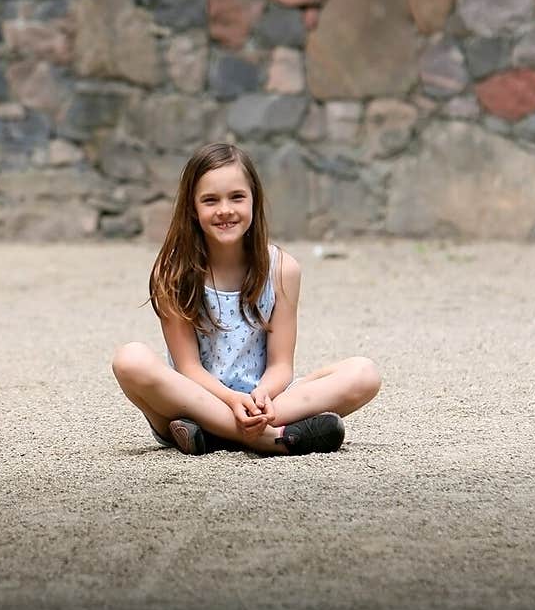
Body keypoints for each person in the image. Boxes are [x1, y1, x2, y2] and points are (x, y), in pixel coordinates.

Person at [111, 142, 381, 455]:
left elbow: (281, 365)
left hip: (265, 402)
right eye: (210, 200)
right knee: (129, 359)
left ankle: (214, 435)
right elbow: (188, 369)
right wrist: (230, 400)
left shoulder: (282, 270)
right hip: (194, 399)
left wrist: (261, 397)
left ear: (254, 200)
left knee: (364, 373)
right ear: (193, 210)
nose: (225, 210)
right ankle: (268, 439)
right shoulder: (173, 272)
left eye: (236, 197)